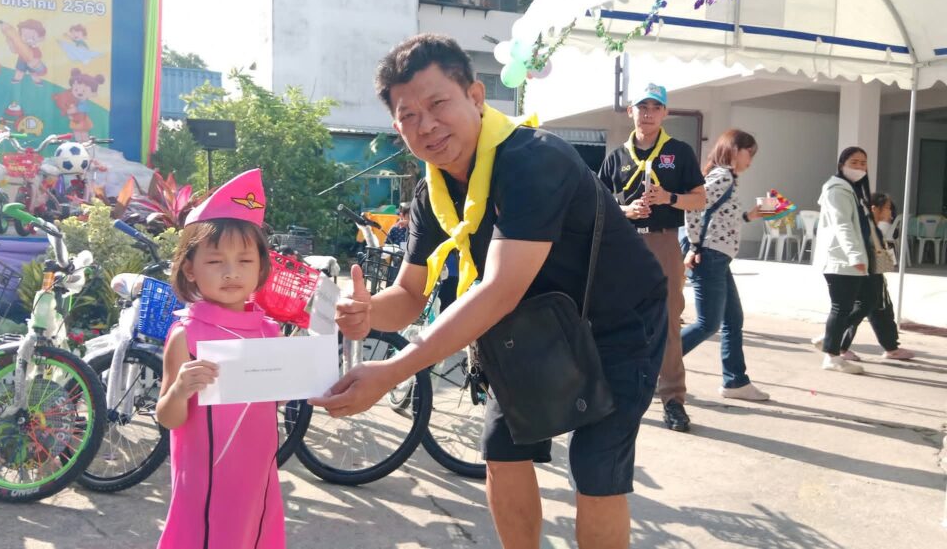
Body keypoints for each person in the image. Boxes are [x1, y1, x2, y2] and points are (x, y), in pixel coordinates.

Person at [312, 34, 667, 549]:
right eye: (409, 116)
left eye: (438, 103)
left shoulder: (532, 160)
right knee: (502, 452)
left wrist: (391, 371)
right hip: (530, 326)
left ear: (476, 96)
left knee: (595, 468)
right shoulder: (433, 192)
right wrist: (367, 314)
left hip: (617, 321)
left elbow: (499, 289)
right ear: (397, 127)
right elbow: (409, 295)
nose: (426, 125)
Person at [156, 169, 286, 549]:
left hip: (258, 477)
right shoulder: (187, 335)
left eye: (244, 260)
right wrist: (180, 389)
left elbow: (273, 402)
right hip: (204, 481)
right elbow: (168, 417)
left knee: (253, 535)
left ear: (260, 266)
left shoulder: (269, 332)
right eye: (215, 262)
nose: (231, 273)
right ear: (190, 269)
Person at [599, 83, 706, 432]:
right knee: (619, 318)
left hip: (663, 242)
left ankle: (673, 399)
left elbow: (700, 199)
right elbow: (600, 202)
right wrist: (625, 210)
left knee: (669, 320)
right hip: (625, 243)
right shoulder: (617, 156)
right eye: (642, 107)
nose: (648, 114)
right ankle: (618, 392)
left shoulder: (679, 152)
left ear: (665, 113)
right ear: (631, 111)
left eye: (655, 107)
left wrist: (669, 198)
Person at [681, 129, 770, 401]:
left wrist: (749, 216)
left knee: (732, 319)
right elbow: (692, 206)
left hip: (717, 256)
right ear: (734, 150)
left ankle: (735, 381)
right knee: (708, 323)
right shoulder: (722, 176)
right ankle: (654, 366)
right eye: (749, 153)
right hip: (709, 256)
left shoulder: (725, 177)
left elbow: (719, 219)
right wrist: (694, 246)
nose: (750, 160)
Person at [812, 192, 914, 361]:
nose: (890, 213)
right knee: (865, 305)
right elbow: (872, 249)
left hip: (866, 270)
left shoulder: (869, 223)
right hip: (860, 270)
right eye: (887, 208)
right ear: (874, 208)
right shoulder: (863, 224)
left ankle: (888, 347)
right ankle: (835, 342)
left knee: (874, 306)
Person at [813, 147, 887, 375]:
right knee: (842, 306)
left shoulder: (853, 190)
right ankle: (832, 356)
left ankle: (830, 338)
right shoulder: (837, 190)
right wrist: (854, 255)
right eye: (854, 162)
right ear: (841, 164)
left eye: (863, 163)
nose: (859, 167)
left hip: (854, 258)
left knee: (869, 299)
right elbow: (842, 224)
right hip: (842, 258)